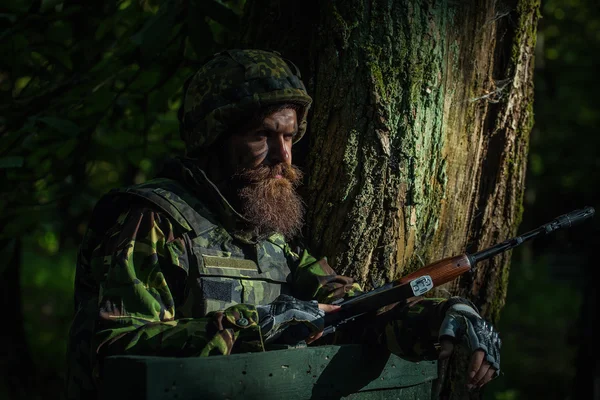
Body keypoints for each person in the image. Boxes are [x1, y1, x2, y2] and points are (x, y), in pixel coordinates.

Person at [66, 49, 501, 399]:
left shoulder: (268, 237)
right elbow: (116, 353)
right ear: (214, 139)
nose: (284, 156)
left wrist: (442, 317)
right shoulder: (152, 223)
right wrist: (256, 325)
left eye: (290, 136)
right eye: (263, 136)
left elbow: (354, 310)